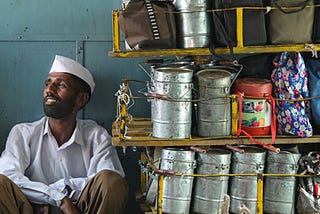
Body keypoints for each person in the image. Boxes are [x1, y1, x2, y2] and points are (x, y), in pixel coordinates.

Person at [0, 55, 129, 213]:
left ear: (81, 99)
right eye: (48, 84)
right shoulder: (23, 133)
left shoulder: (97, 136)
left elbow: (111, 178)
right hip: (31, 209)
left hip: (79, 210)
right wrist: (58, 198)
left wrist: (60, 190)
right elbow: (8, 175)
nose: (49, 90)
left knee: (111, 182)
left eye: (60, 85)